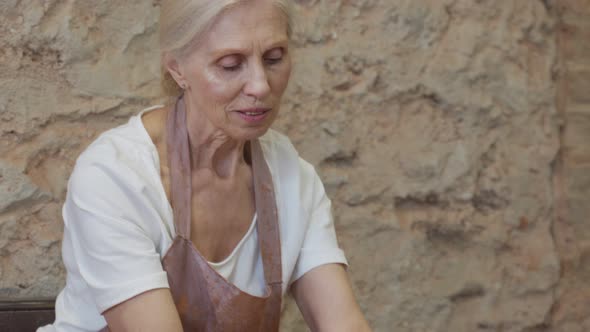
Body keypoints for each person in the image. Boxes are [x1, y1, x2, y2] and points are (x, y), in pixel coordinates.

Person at [38, 0, 371, 331]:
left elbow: (342, 323)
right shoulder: (115, 177)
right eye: (230, 64)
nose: (260, 86)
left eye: (274, 58)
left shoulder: (291, 175)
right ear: (177, 68)